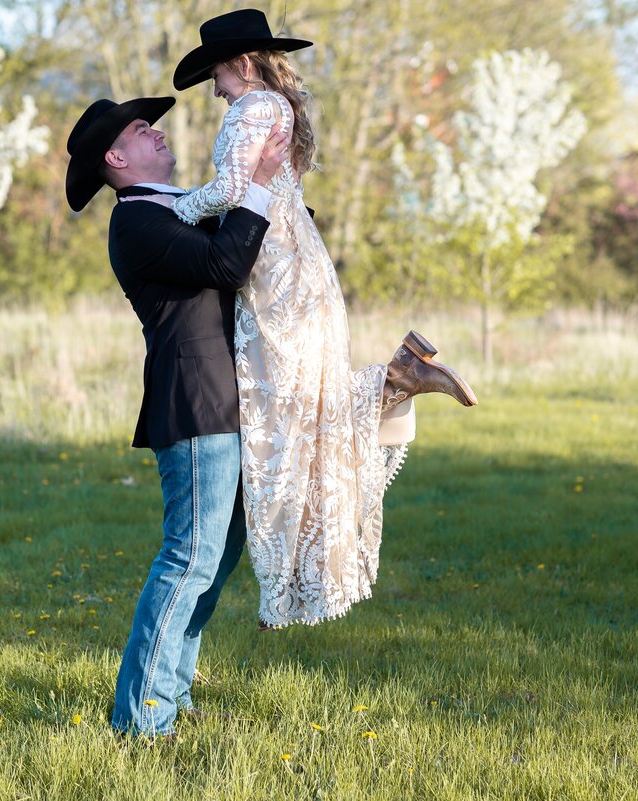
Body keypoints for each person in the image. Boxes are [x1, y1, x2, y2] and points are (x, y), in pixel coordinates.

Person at [168, 8, 478, 630]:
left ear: (243, 64)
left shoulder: (252, 109)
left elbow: (230, 190)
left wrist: (173, 208)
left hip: (276, 279)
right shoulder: (280, 106)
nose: (215, 88)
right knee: (305, 412)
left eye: (218, 74)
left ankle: (285, 576)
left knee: (280, 424)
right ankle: (397, 378)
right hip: (300, 269)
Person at [64, 96, 291, 737]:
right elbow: (225, 263)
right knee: (190, 559)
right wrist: (260, 188)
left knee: (214, 565)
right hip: (196, 405)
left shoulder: (176, 208)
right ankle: (141, 721)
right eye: (142, 131)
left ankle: (169, 701)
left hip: (228, 400)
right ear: (116, 159)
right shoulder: (137, 222)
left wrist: (281, 202)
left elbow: (242, 250)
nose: (156, 133)